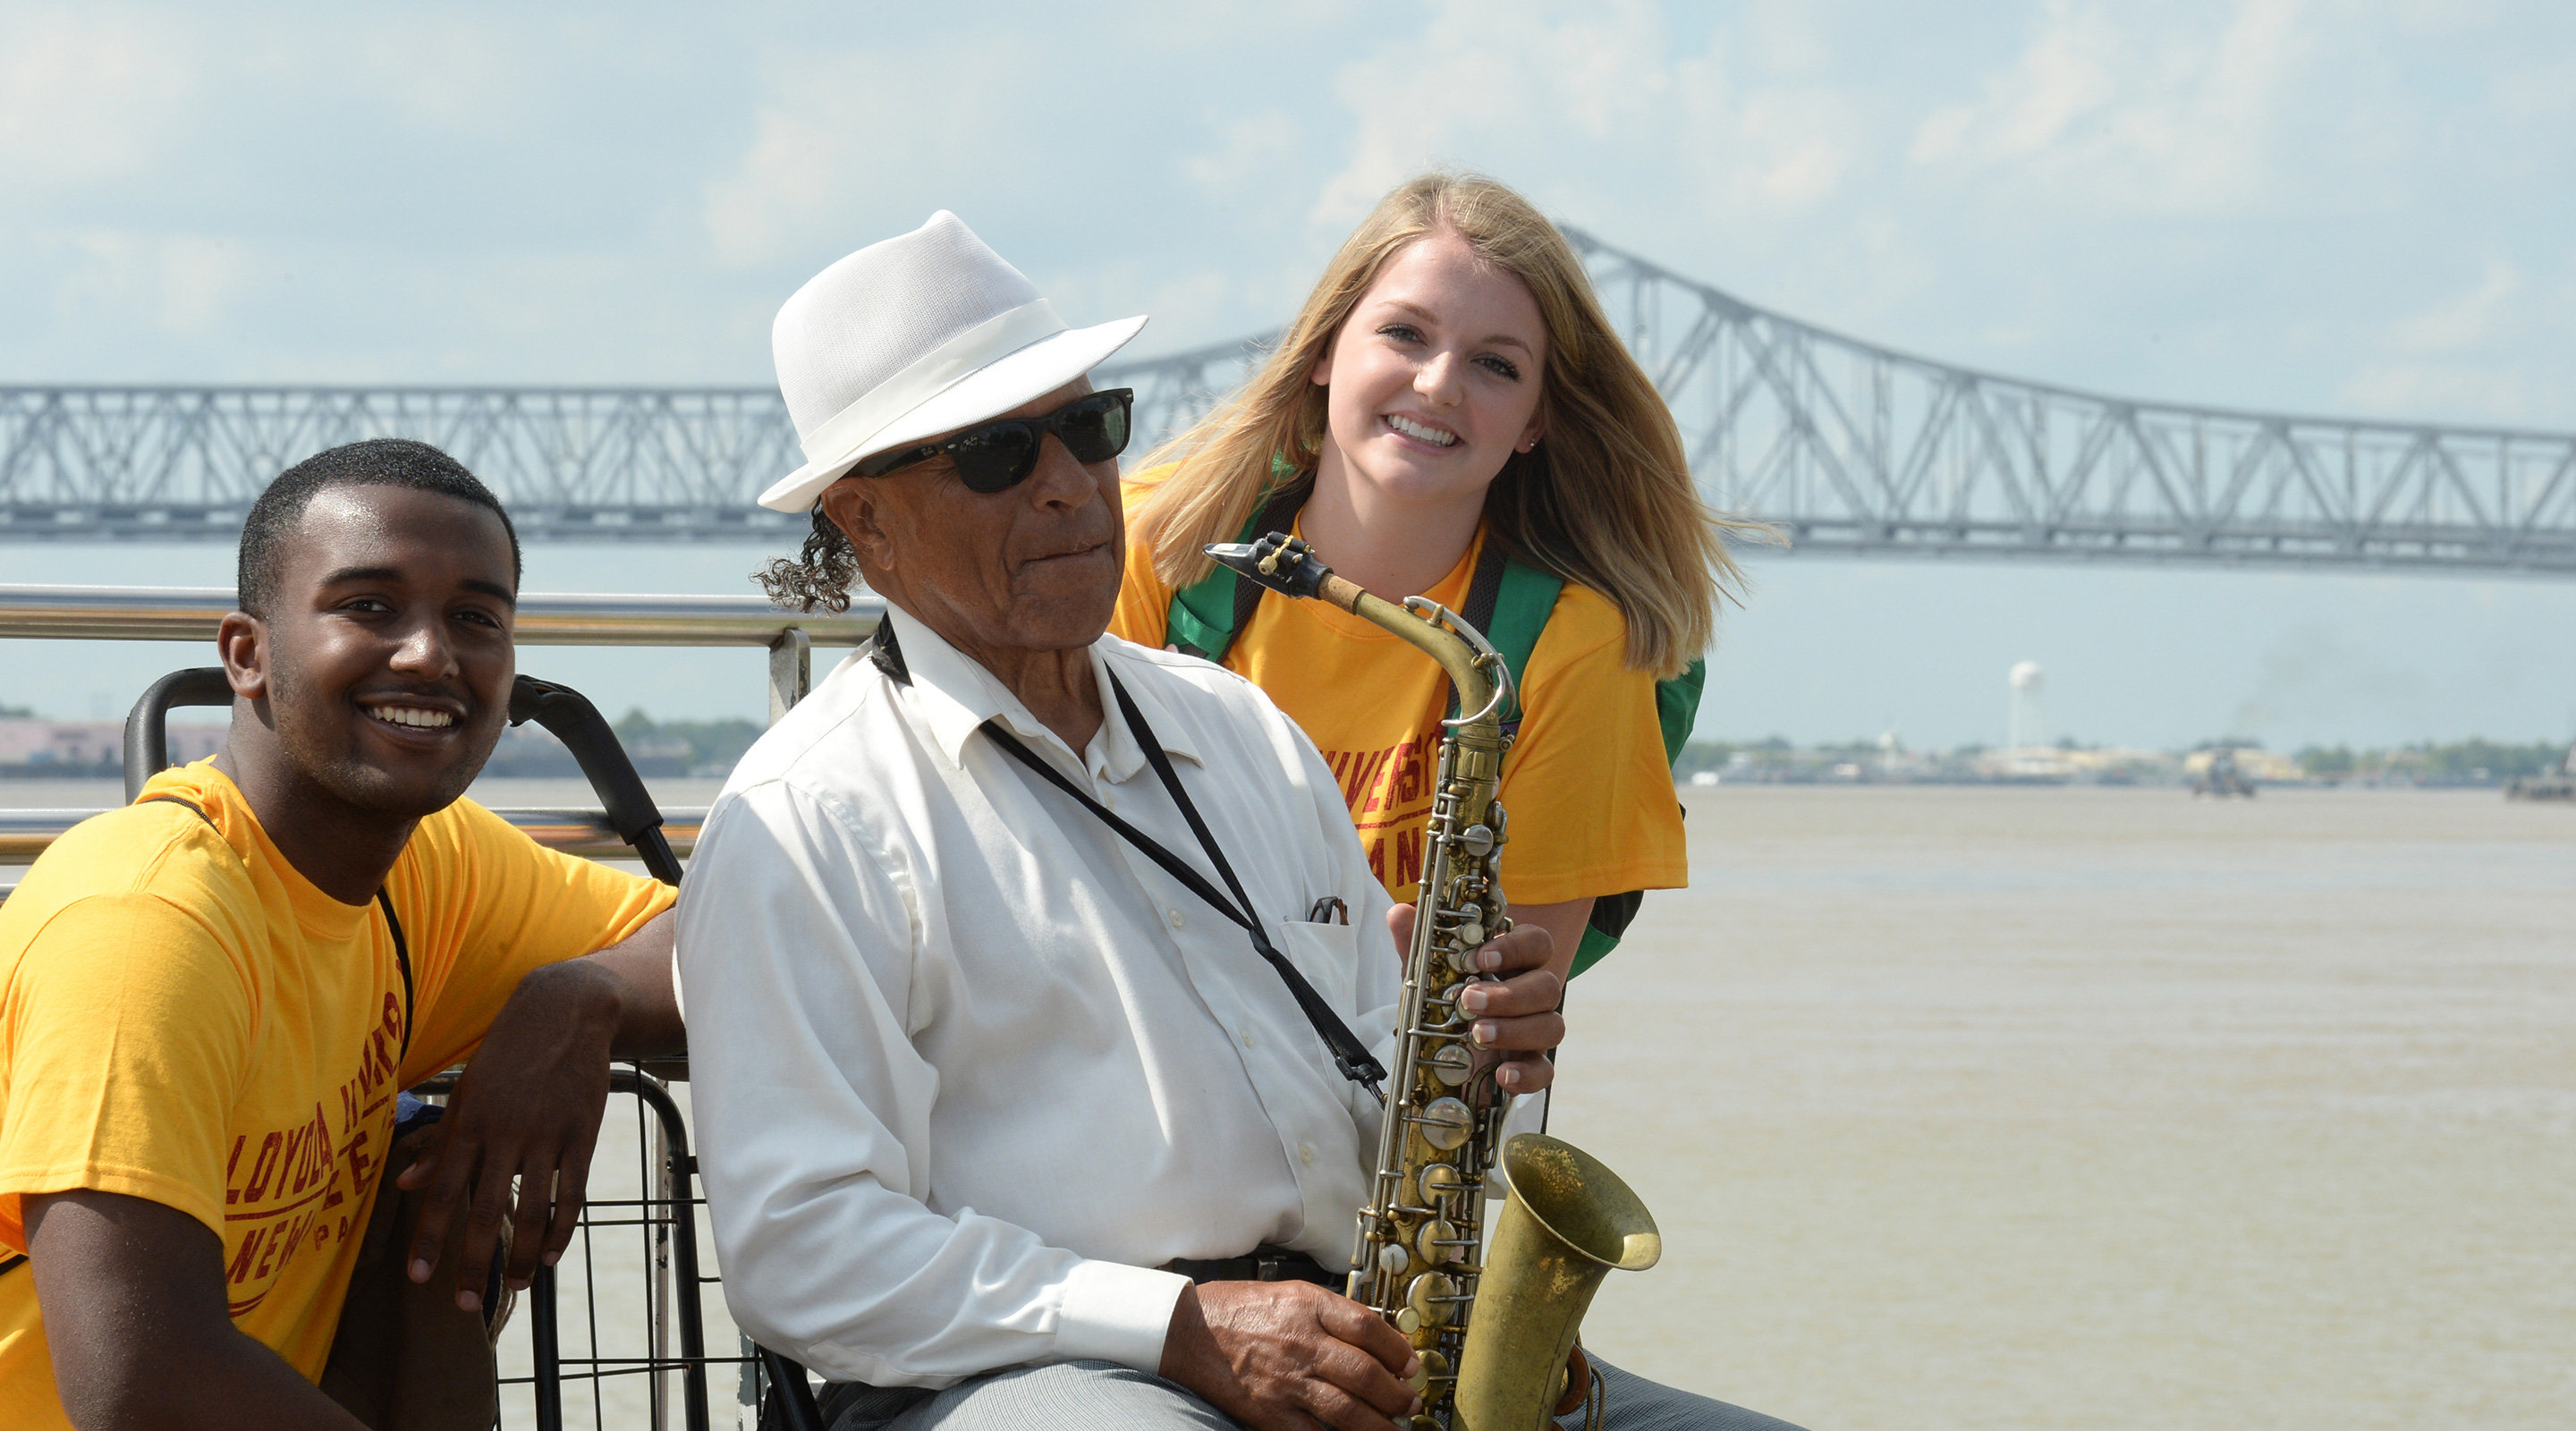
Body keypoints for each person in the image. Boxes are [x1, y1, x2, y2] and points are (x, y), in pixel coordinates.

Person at [685, 212, 1799, 1431]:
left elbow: (1381, 1106)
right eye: (998, 456)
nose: (1068, 485)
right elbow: (800, 1253)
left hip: (1334, 1345)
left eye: (1086, 429)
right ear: (867, 524)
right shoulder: (810, 817)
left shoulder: (1246, 735)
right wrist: (1175, 1330)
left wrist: (1474, 1065)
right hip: (1022, 1377)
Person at [0, 440, 685, 1429]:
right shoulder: (144, 923)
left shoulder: (429, 868)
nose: (429, 654)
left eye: (476, 618)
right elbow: (142, 1383)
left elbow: (721, 939)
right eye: (368, 606)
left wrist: (580, 996)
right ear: (248, 654)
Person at [1112, 174, 1760, 983]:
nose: (1439, 383)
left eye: (1495, 365)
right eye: (1404, 334)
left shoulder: (1578, 644)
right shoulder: (1157, 542)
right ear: (1322, 349)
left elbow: (1498, 1021)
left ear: (1536, 421)